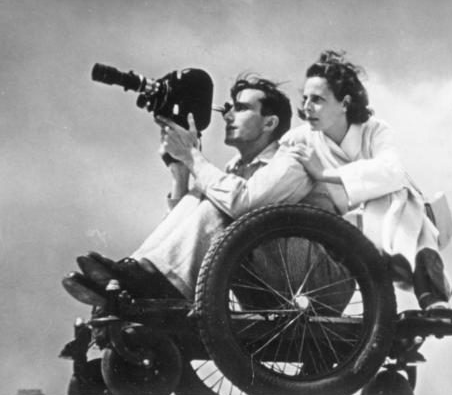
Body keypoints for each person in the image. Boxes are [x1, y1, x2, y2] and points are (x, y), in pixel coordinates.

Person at [63, 73, 328, 304]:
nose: (228, 115)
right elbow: (191, 234)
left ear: (269, 123)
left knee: (220, 201)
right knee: (207, 194)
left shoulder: (292, 159)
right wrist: (180, 173)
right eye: (228, 108)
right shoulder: (236, 169)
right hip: (266, 279)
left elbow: (243, 203)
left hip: (309, 283)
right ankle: (128, 276)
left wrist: (192, 156)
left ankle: (148, 278)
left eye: (241, 108)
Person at [282, 50, 450, 310]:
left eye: (317, 100)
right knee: (387, 202)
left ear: (345, 103)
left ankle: (422, 283)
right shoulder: (300, 138)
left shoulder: (375, 130)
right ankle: (413, 276)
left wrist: (323, 173)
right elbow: (275, 166)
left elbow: (391, 170)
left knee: (394, 196)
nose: (306, 107)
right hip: (339, 226)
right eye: (305, 99)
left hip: (403, 215)